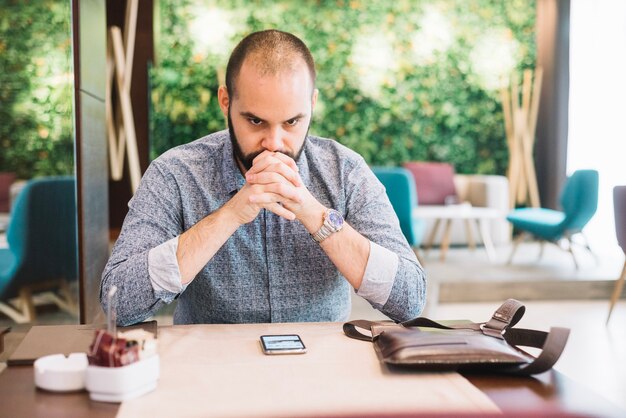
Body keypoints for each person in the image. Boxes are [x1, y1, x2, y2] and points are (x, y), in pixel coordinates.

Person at [101, 29, 426, 326]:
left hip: (321, 372)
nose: (274, 142)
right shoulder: (175, 173)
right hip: (212, 373)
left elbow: (409, 300)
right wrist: (228, 216)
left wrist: (313, 213)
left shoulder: (346, 171)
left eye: (292, 122)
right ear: (225, 102)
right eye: (255, 121)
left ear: (312, 105)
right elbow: (118, 301)